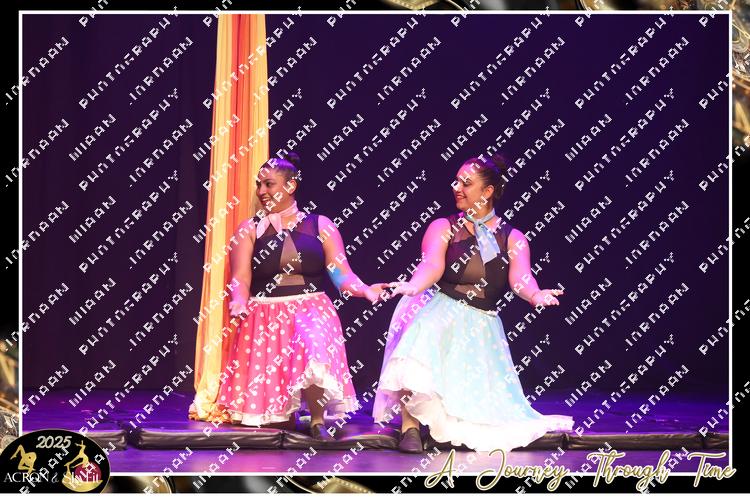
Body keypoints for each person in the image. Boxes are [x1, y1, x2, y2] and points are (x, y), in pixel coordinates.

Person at [372, 153, 574, 453]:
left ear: (488, 191)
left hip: (481, 321)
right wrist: (413, 285)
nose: (457, 188)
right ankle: (409, 427)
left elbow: (521, 279)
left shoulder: (513, 238)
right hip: (443, 307)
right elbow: (432, 265)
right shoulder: (444, 227)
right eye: (456, 182)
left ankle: (445, 425)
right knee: (415, 356)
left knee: (484, 416)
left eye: (466, 183)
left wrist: (535, 294)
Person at [214, 152, 387, 441]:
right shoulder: (249, 229)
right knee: (275, 426)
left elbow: (342, 274)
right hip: (265, 313)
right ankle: (284, 417)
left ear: (290, 186)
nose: (261, 191)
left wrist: (365, 289)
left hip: (311, 306)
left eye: (269, 184)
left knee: (314, 346)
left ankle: (317, 420)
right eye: (259, 185)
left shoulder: (321, 225)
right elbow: (240, 277)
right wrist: (238, 299)